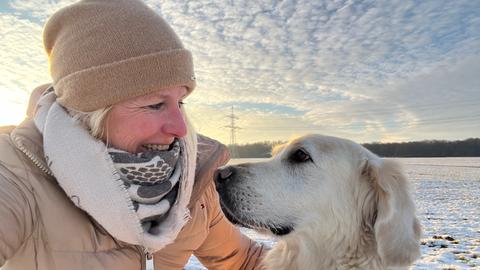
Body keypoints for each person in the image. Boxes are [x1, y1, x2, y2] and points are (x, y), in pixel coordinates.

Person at [0, 0, 266, 269]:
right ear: (90, 111)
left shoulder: (189, 181)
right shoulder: (17, 174)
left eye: (180, 102)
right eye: (154, 104)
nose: (180, 128)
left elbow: (244, 260)